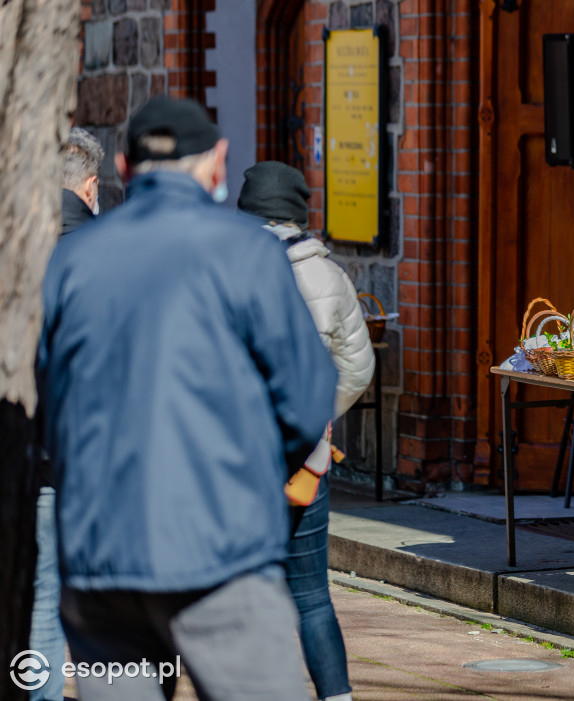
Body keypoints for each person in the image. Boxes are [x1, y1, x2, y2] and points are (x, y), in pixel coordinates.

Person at [36, 96, 338, 701]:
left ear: (123, 164)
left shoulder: (69, 259)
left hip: (102, 560)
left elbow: (49, 395)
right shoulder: (247, 251)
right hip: (220, 554)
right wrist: (248, 473)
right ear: (218, 163)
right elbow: (308, 395)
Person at [238, 161, 375, 701]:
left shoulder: (230, 270)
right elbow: (359, 369)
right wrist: (314, 416)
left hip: (241, 460)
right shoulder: (329, 275)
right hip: (305, 463)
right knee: (313, 594)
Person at [26, 127, 107, 701]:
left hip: (34, 452)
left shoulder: (18, 250)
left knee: (40, 597)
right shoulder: (109, 256)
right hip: (99, 457)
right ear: (91, 185)